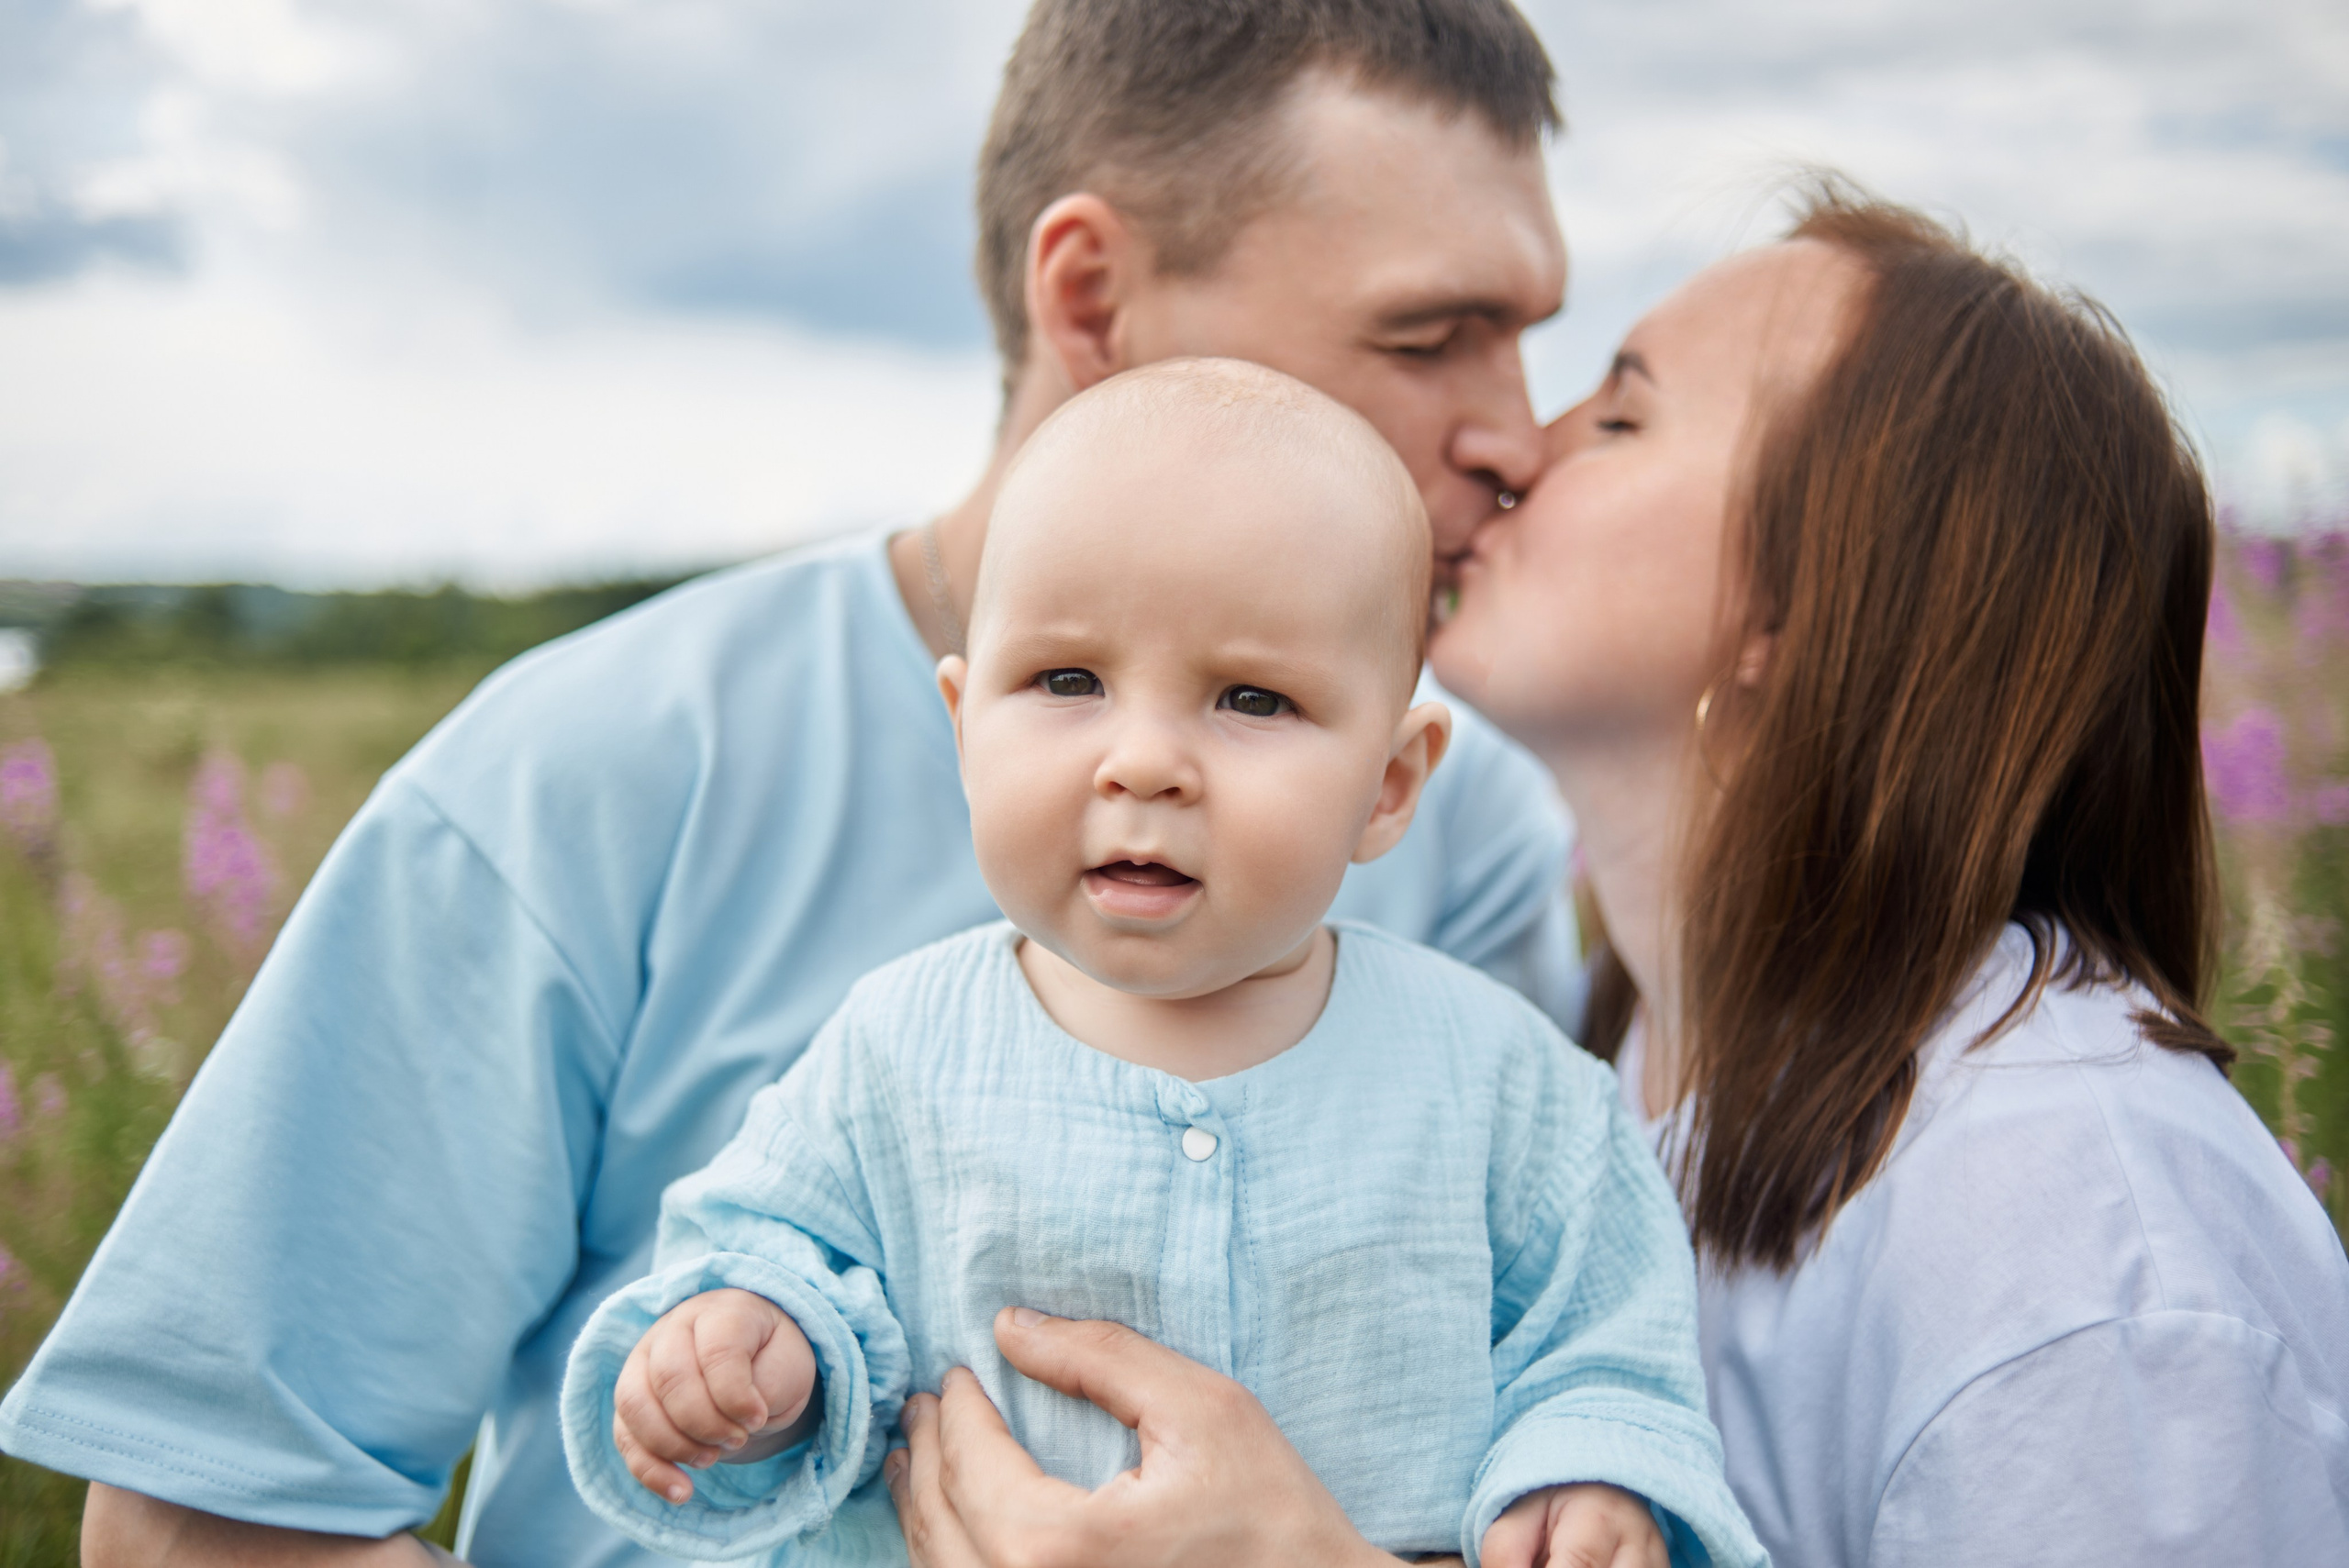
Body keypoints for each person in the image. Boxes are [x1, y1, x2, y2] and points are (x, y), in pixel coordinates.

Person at [0, 5, 1580, 1565]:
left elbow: (1562, 1412)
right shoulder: (588, 771)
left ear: (1389, 790)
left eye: (1532, 340)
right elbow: (195, 1516)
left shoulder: (1477, 834)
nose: (1516, 433)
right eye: (1428, 336)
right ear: (1093, 296)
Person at [879, 191, 2349, 1566]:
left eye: (1622, 413)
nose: (1513, 447)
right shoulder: (1612, 1066)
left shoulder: (2085, 1247)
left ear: (1801, 604)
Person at [558, 361, 1762, 1568]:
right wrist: (756, 1345)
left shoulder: (1507, 1083)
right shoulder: (891, 1047)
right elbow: (779, 1248)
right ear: (966, 726)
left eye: (1251, 696)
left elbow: (1605, 1344)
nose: (1144, 761)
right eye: (1069, 681)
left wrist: (1592, 1472)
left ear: (1388, 786)